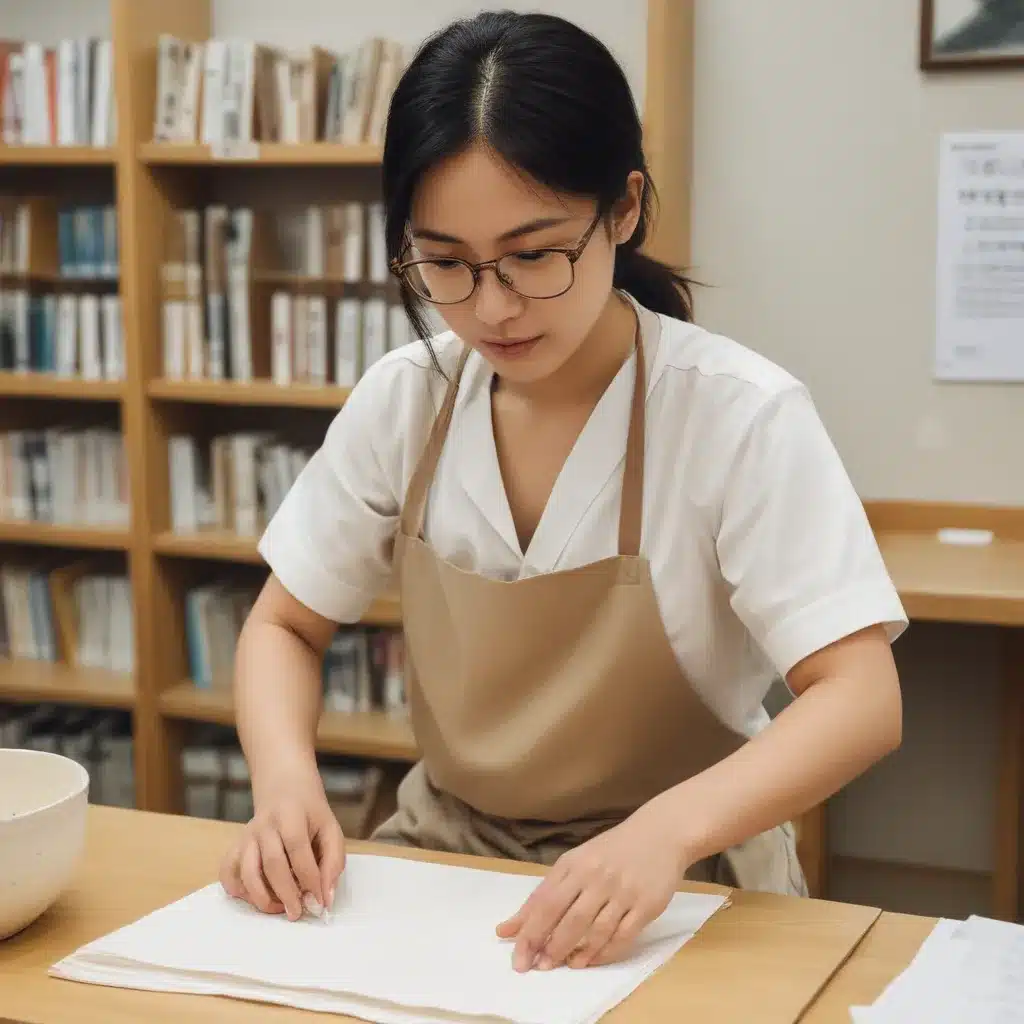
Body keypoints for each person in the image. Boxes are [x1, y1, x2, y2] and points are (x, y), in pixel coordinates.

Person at [219, 10, 906, 973]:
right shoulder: (406, 400)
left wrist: (664, 834)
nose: (491, 307)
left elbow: (862, 698)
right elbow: (283, 626)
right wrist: (286, 783)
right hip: (453, 861)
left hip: (683, 880)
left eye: (535, 254)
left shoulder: (737, 415)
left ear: (622, 211)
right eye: (446, 264)